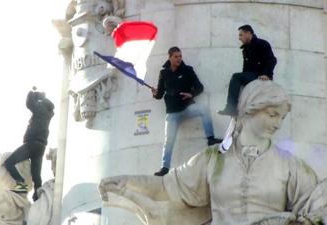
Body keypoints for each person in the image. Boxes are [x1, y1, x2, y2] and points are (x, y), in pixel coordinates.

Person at [99, 80, 318, 225]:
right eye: (272, 115)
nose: (278, 123)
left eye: (282, 117)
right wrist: (127, 183)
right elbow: (167, 188)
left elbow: (316, 209)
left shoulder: (292, 166)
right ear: (251, 109)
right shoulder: (213, 159)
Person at [151, 46, 222, 176]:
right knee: (169, 140)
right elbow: (160, 94)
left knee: (204, 109)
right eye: (176, 56)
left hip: (187, 108)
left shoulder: (188, 70)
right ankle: (165, 168)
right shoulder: (164, 73)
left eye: (180, 56)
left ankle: (211, 138)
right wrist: (155, 93)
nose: (179, 59)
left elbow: (200, 87)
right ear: (170, 57)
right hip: (172, 112)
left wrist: (191, 94)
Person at [5, 87, 54, 201]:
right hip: (41, 147)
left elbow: (29, 102)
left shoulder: (40, 110)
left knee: (9, 163)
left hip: (31, 144)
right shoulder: (49, 113)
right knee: (36, 176)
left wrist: (36, 94)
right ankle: (38, 198)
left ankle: (21, 184)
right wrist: (42, 98)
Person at [218, 25, 277, 117]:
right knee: (238, 78)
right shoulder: (245, 49)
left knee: (236, 76)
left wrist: (266, 74)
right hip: (251, 75)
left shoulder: (262, 44)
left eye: (241, 35)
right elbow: (245, 69)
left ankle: (231, 108)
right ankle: (234, 107)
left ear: (248, 33)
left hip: (260, 75)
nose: (239, 38)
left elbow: (271, 60)